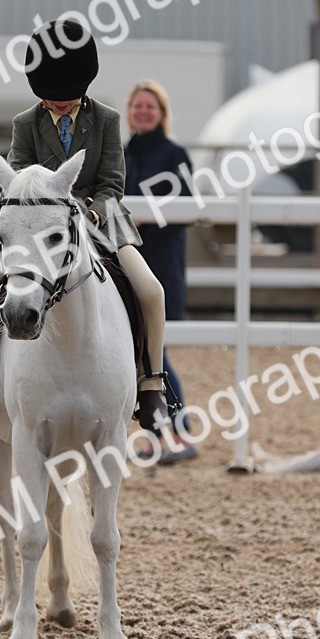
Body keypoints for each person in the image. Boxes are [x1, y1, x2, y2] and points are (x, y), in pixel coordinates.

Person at [0, 19, 172, 429]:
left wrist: (88, 212)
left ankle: (152, 381)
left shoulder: (105, 119)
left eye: (68, 99)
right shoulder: (25, 123)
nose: (61, 105)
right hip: (36, 229)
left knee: (151, 290)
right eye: (52, 99)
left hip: (101, 225)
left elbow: (111, 183)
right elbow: (16, 180)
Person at [124, 80, 197, 464]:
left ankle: (180, 431)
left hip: (161, 266)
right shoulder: (121, 155)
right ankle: (158, 434)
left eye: (150, 106)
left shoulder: (174, 154)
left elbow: (185, 208)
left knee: (155, 350)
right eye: (137, 105)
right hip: (125, 264)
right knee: (141, 351)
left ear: (161, 112)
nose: (143, 111)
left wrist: (138, 219)